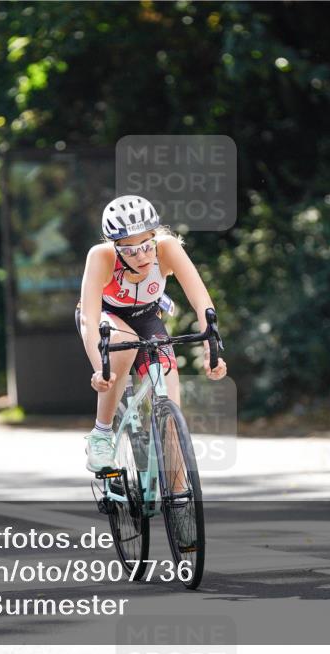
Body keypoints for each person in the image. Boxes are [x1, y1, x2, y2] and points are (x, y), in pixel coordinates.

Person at [76, 194, 227, 473]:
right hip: (108, 320)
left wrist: (211, 349)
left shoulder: (167, 248)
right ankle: (101, 434)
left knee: (171, 418)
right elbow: (89, 318)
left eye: (147, 245)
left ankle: (180, 502)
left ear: (155, 236)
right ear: (115, 247)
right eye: (130, 250)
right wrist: (101, 369)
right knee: (125, 344)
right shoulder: (101, 257)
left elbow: (201, 302)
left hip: (147, 318)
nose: (142, 255)